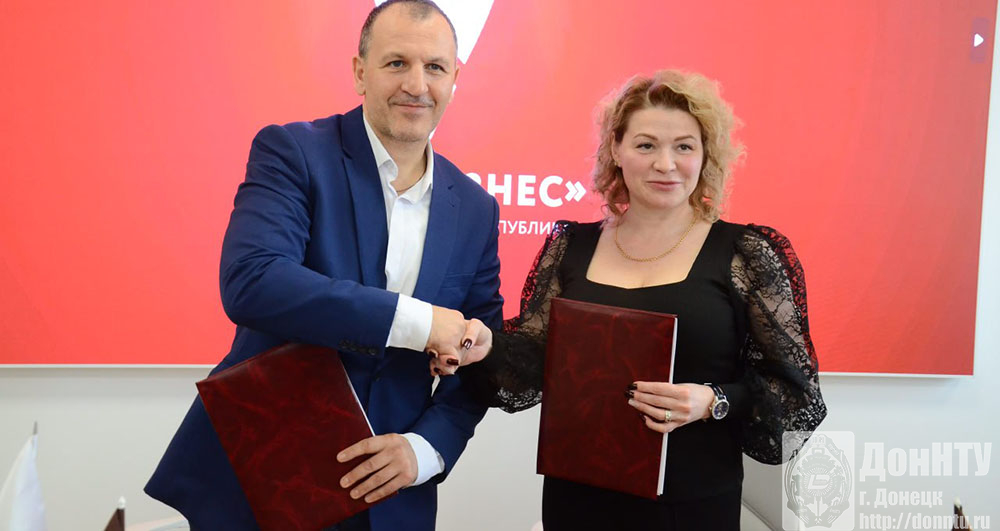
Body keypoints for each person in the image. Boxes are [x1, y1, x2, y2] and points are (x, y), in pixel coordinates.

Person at [144, 1, 503, 530]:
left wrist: (426, 448)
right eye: (396, 63)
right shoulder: (294, 152)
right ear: (360, 72)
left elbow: (482, 350)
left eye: (435, 67)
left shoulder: (475, 208)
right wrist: (423, 323)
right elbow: (254, 280)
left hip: (391, 499)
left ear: (455, 80)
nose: (417, 84)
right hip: (266, 478)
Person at [435, 70, 827, 530]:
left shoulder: (746, 254)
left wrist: (713, 399)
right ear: (617, 150)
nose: (666, 163)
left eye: (684, 146)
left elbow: (797, 397)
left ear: (706, 156)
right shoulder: (571, 247)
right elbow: (535, 360)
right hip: (576, 499)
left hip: (690, 507)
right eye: (646, 145)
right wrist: (486, 346)